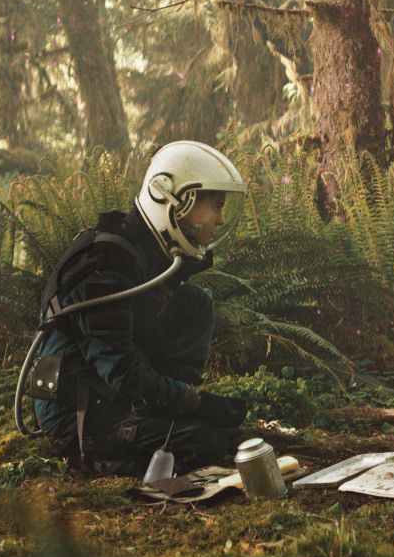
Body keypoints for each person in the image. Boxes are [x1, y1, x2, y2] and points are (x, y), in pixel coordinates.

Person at [32, 141, 249, 476]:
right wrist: (195, 402)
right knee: (203, 443)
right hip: (78, 411)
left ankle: (164, 416)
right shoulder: (107, 263)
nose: (219, 220)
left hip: (114, 395)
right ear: (172, 199)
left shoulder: (146, 252)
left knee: (195, 302)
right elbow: (120, 371)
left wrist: (182, 402)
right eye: (215, 206)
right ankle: (99, 460)